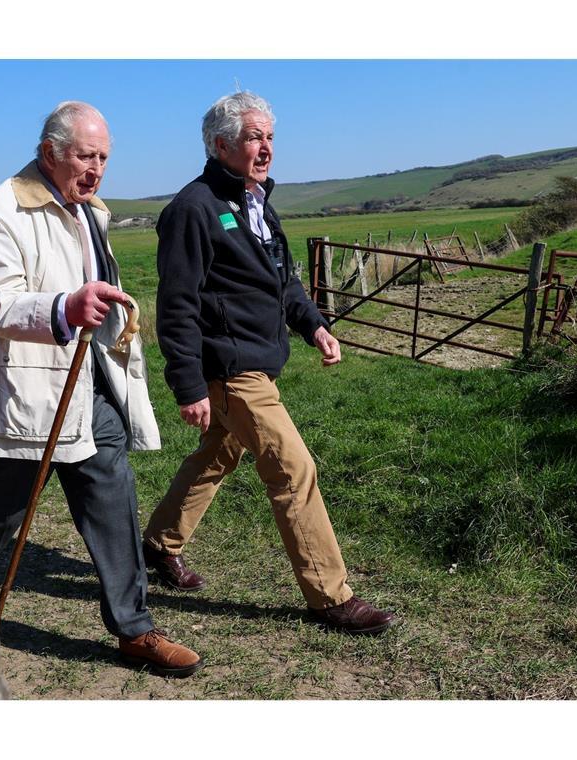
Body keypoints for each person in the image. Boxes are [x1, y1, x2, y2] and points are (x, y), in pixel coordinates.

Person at [0, 101, 203, 676]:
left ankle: (134, 629)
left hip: (87, 383)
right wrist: (63, 306)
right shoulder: (2, 208)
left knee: (113, 499)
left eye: (103, 158)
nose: (96, 169)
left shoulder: (90, 209)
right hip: (25, 393)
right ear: (50, 152)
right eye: (85, 156)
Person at [141, 91, 395, 636]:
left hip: (258, 358)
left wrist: (315, 325)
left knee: (216, 457)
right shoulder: (193, 209)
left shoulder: (256, 201)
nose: (265, 149)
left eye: (270, 137)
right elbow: (178, 303)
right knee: (293, 467)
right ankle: (330, 596)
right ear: (220, 144)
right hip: (232, 368)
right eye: (254, 137)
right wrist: (188, 385)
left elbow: (285, 282)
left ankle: (158, 545)